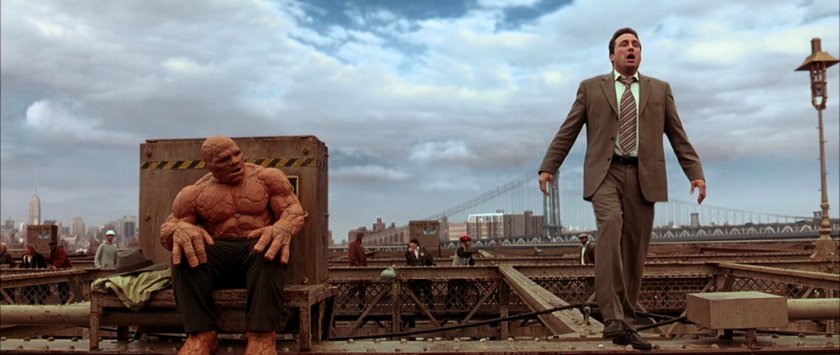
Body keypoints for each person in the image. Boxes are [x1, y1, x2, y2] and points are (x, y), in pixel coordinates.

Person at [538, 28, 706, 350]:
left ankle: (625, 324)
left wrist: (694, 173)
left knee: (635, 252)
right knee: (610, 227)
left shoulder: (660, 89)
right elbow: (568, 130)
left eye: (636, 44)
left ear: (640, 54)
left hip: (645, 177)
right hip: (606, 173)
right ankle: (612, 317)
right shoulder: (591, 88)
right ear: (612, 55)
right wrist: (550, 166)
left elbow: (678, 135)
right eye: (624, 44)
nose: (631, 48)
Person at [160, 135, 306, 355]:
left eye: (236, 153)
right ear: (210, 165)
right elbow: (168, 229)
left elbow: (293, 210)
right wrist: (179, 231)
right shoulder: (195, 193)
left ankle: (262, 336)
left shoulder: (267, 178)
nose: (235, 161)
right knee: (184, 248)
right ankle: (201, 335)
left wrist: (283, 227)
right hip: (218, 255)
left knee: (267, 243)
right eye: (224, 159)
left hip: (256, 254)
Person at [404, 238, 435, 313]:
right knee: (416, 293)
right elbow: (407, 260)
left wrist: (423, 255)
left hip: (424, 276)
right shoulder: (409, 252)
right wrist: (408, 252)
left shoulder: (423, 250)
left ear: (415, 244)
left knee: (428, 292)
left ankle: (432, 308)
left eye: (411, 243)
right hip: (414, 278)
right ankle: (418, 309)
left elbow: (430, 259)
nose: (410, 245)